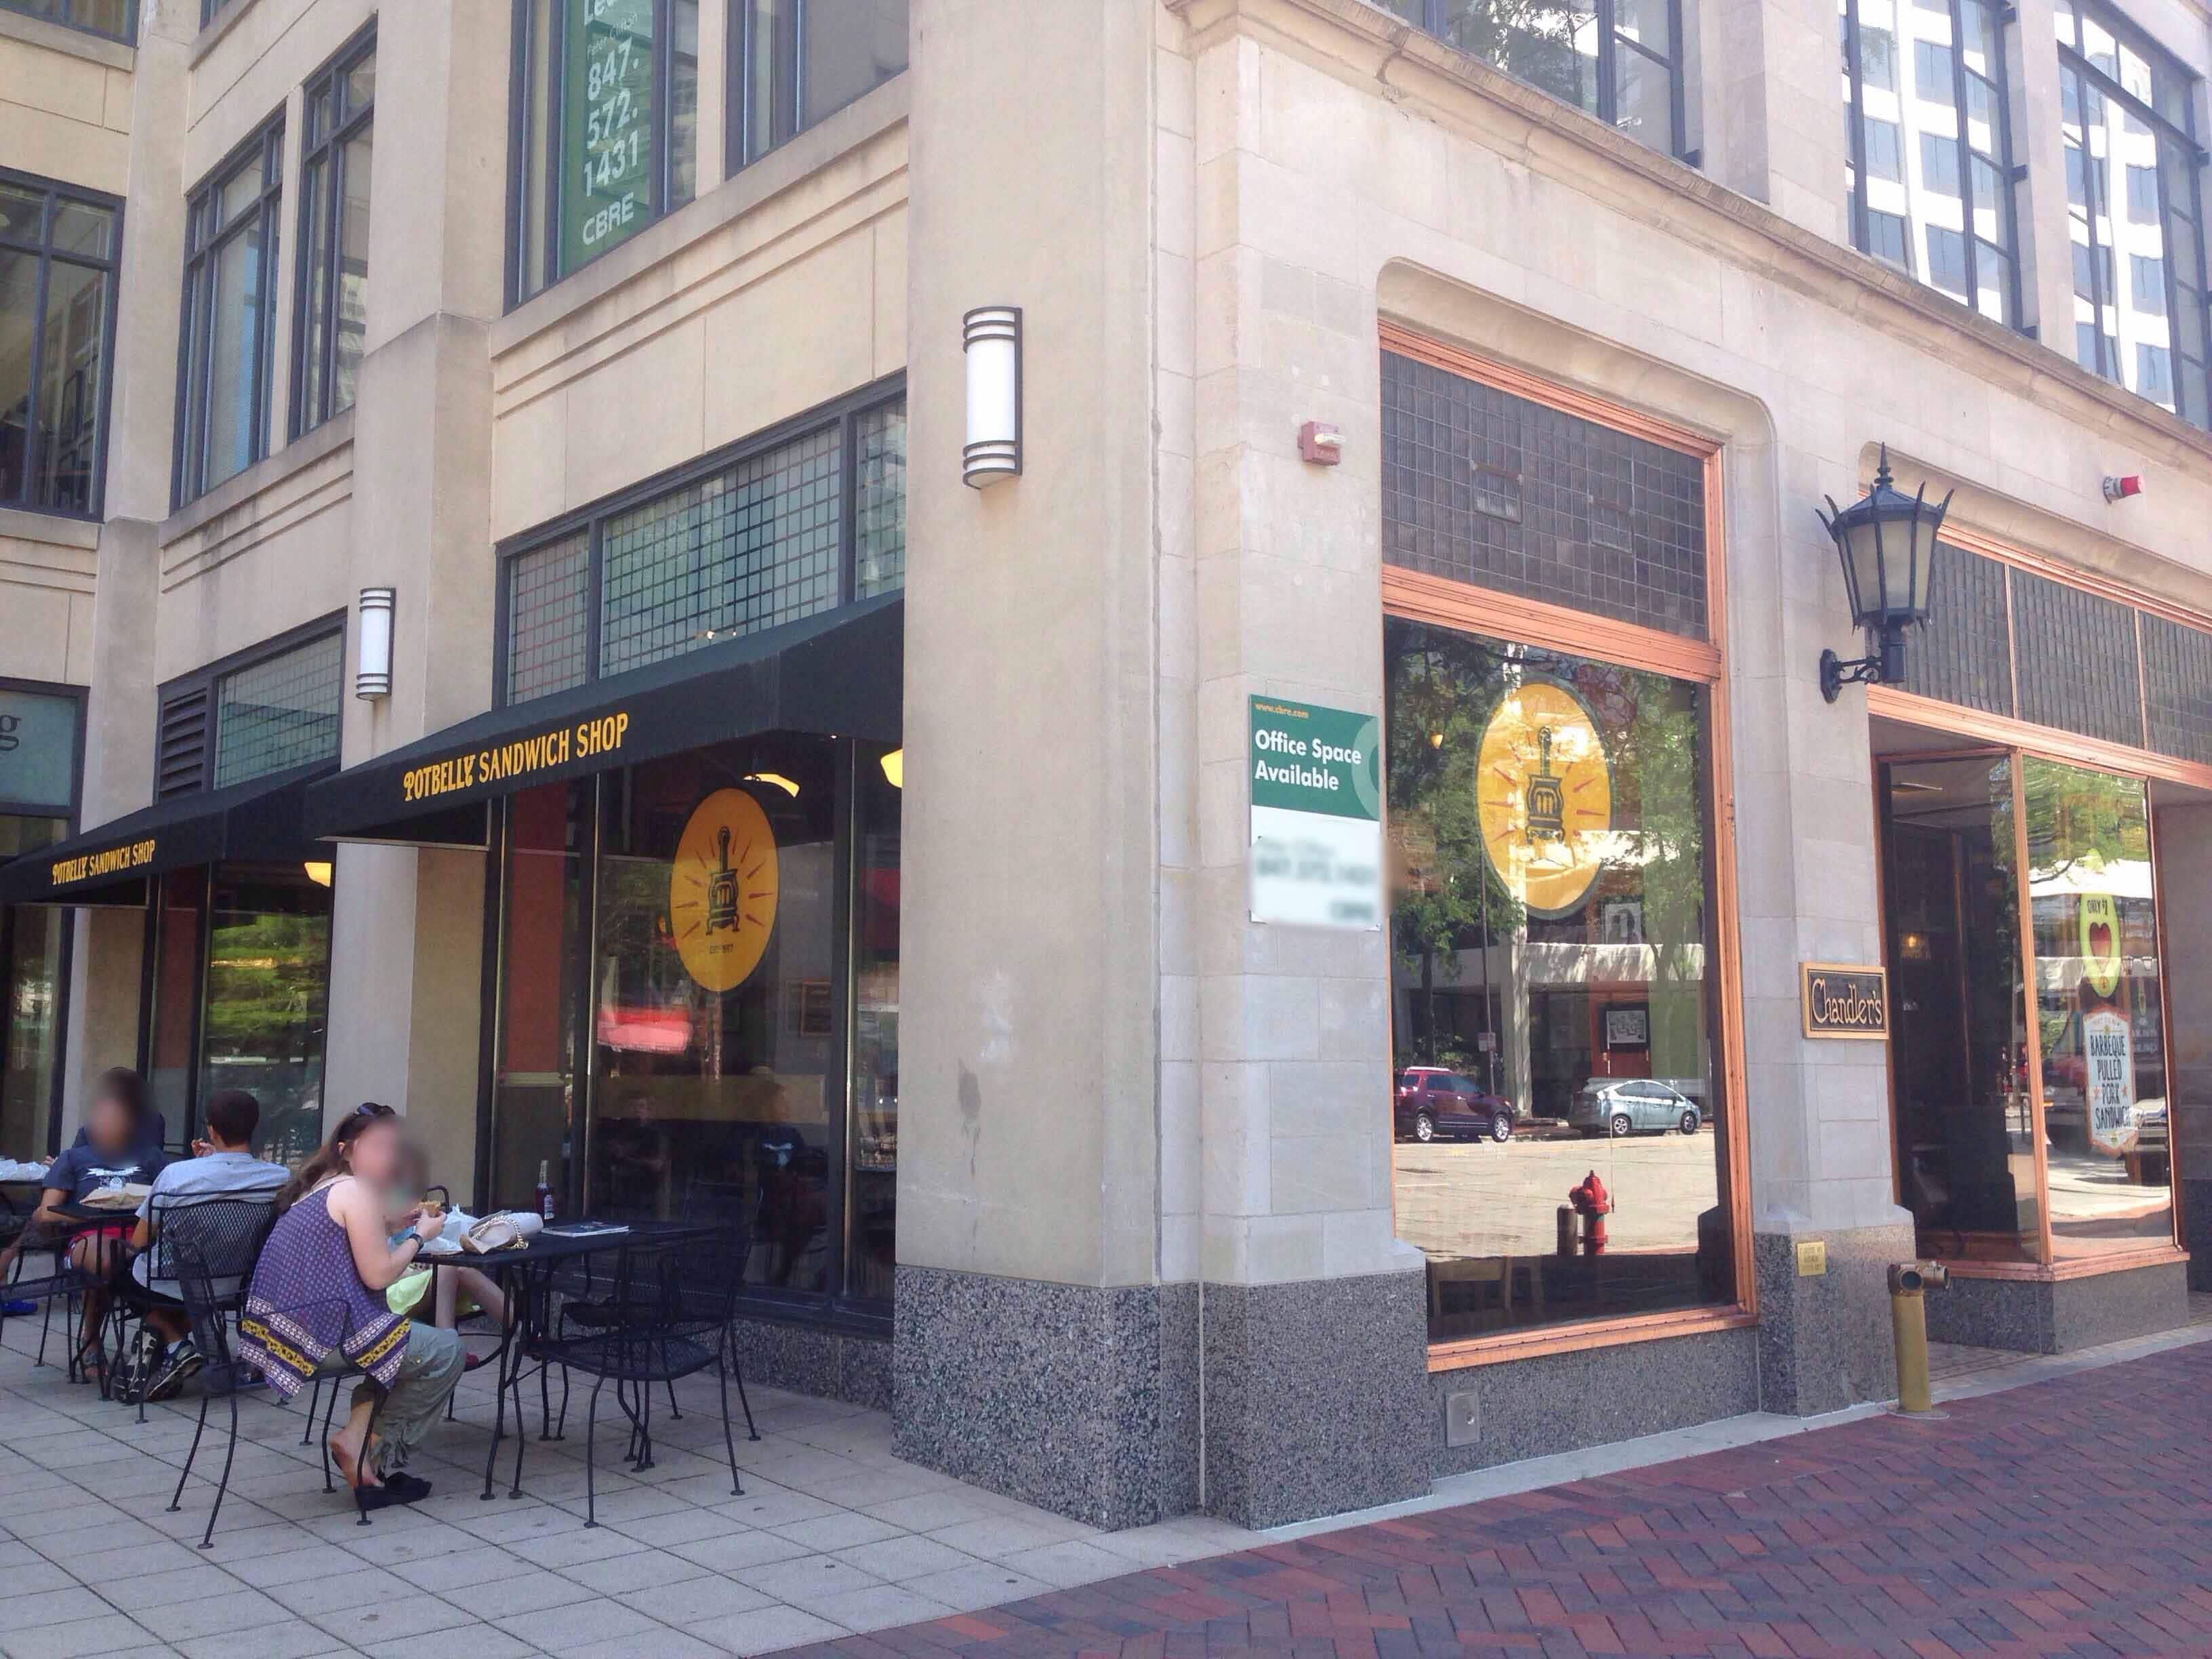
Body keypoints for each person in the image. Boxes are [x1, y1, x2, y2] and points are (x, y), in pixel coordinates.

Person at [235, 1105, 464, 1509]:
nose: (389, 1159)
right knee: (446, 1351)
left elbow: (345, 1243)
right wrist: (420, 1236)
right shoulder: (353, 1191)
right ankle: (368, 1450)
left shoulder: (325, 1185)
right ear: (346, 1150)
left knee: (403, 1349)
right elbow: (378, 1277)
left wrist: (392, 1225)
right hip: (323, 1337)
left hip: (290, 1331)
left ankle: (358, 1448)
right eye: (377, 1147)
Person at [117, 1088, 288, 1401]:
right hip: (234, 1284)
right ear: (254, 1127)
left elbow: (140, 1241)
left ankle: (177, 1347)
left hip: (168, 1282)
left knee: (125, 1273)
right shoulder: (280, 1178)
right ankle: (180, 1348)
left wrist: (203, 1166)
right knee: (181, 1291)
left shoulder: (177, 1176)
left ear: (211, 1128)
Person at [0, 1069, 167, 1372]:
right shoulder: (74, 1159)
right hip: (87, 1241)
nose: (105, 1124)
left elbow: (169, 1201)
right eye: (101, 1117)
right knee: (105, 1254)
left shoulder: (150, 1157)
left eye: (115, 1117)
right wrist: (91, 1206)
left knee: (157, 1256)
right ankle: (91, 1340)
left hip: (140, 1238)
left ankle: (163, 1339)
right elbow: (46, 1211)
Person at [381, 1135, 504, 1351]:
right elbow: (379, 1268)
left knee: (457, 1269)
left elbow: (412, 1243)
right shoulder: (364, 1201)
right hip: (384, 1293)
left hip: (414, 1274)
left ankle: (525, 1329)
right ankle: (450, 1347)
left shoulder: (403, 1195)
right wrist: (415, 1252)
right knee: (448, 1269)